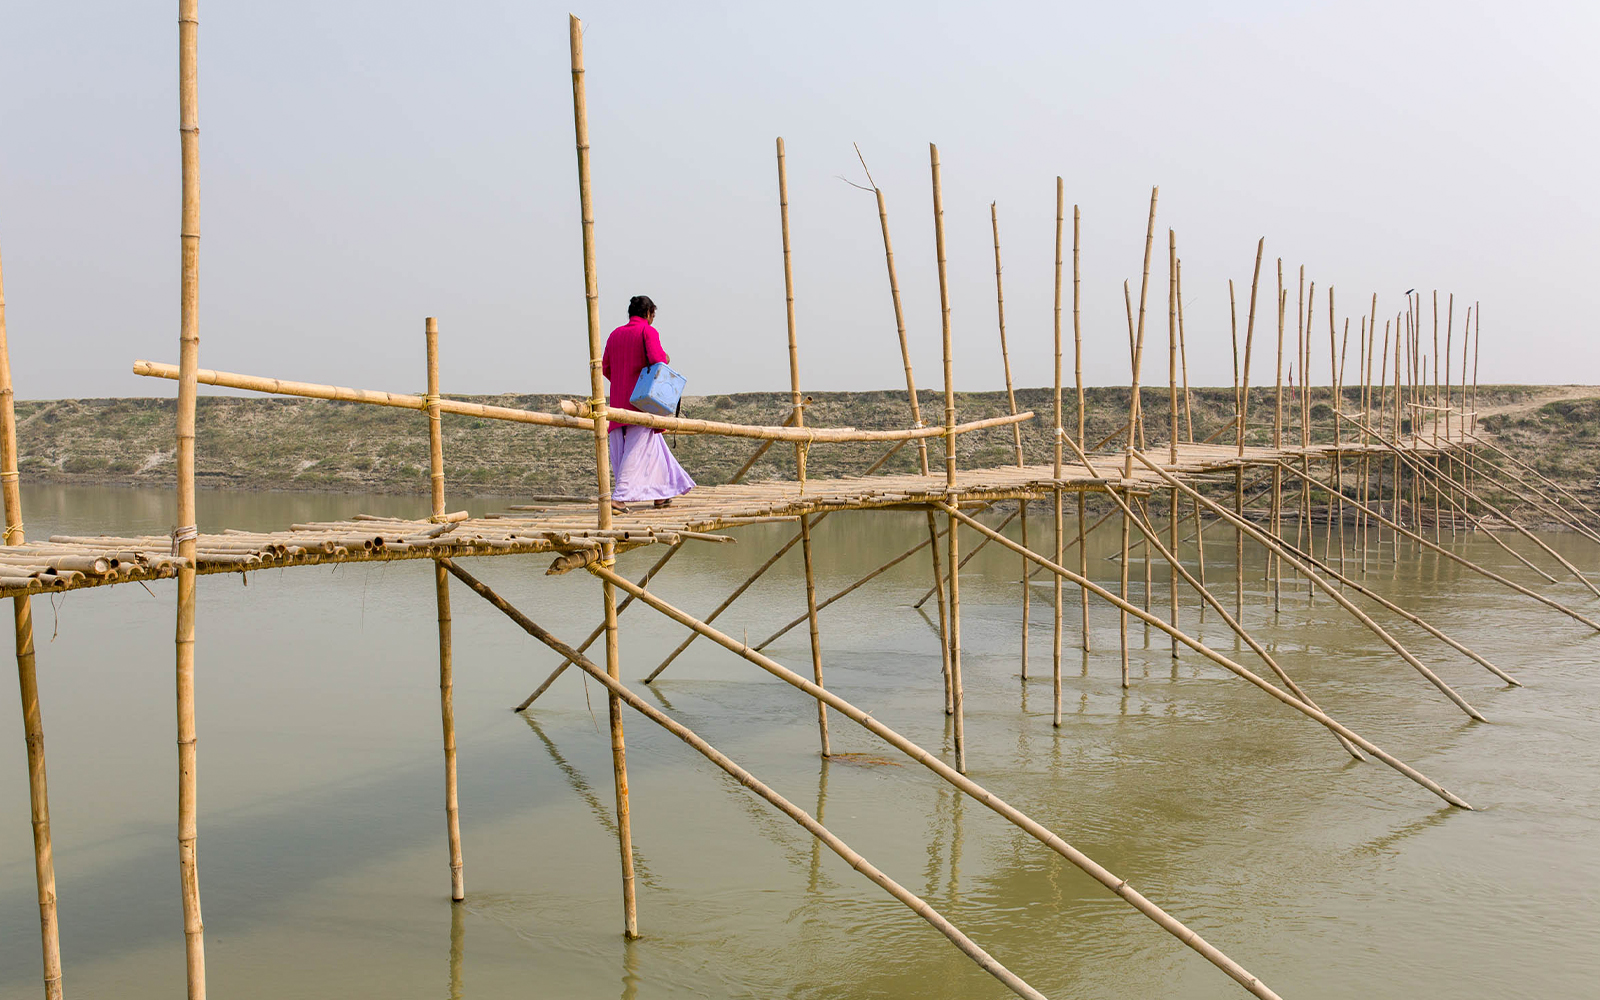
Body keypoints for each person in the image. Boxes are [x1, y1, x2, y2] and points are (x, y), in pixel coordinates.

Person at [600, 295, 695, 512]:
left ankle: (662, 494)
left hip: (617, 403)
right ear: (649, 314)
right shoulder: (647, 331)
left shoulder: (615, 335)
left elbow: (606, 367)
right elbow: (657, 359)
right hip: (641, 404)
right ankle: (619, 498)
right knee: (635, 450)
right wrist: (666, 358)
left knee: (652, 447)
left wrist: (622, 382)